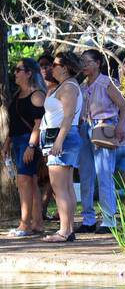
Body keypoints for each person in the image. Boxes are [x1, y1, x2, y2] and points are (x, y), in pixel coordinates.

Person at [77, 48, 125, 233]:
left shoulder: (107, 82)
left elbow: (124, 107)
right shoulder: (83, 86)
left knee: (104, 174)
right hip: (86, 129)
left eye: (88, 62)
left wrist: (119, 127)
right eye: (82, 62)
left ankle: (109, 220)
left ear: (98, 63)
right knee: (86, 175)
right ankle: (88, 219)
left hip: (104, 128)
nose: (84, 65)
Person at [39, 52, 85, 243]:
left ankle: (64, 231)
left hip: (62, 138)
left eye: (55, 65)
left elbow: (68, 117)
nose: (52, 68)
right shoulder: (65, 86)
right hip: (61, 137)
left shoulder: (68, 87)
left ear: (65, 67)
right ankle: (68, 229)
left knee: (60, 188)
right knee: (65, 186)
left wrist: (58, 141)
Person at [7, 58, 47, 237]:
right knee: (30, 181)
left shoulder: (37, 94)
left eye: (19, 69)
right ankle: (37, 223)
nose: (15, 73)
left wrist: (31, 145)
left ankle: (25, 225)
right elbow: (15, 122)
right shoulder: (17, 94)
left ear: (29, 73)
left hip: (29, 141)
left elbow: (38, 124)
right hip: (17, 141)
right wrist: (7, 142)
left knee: (24, 181)